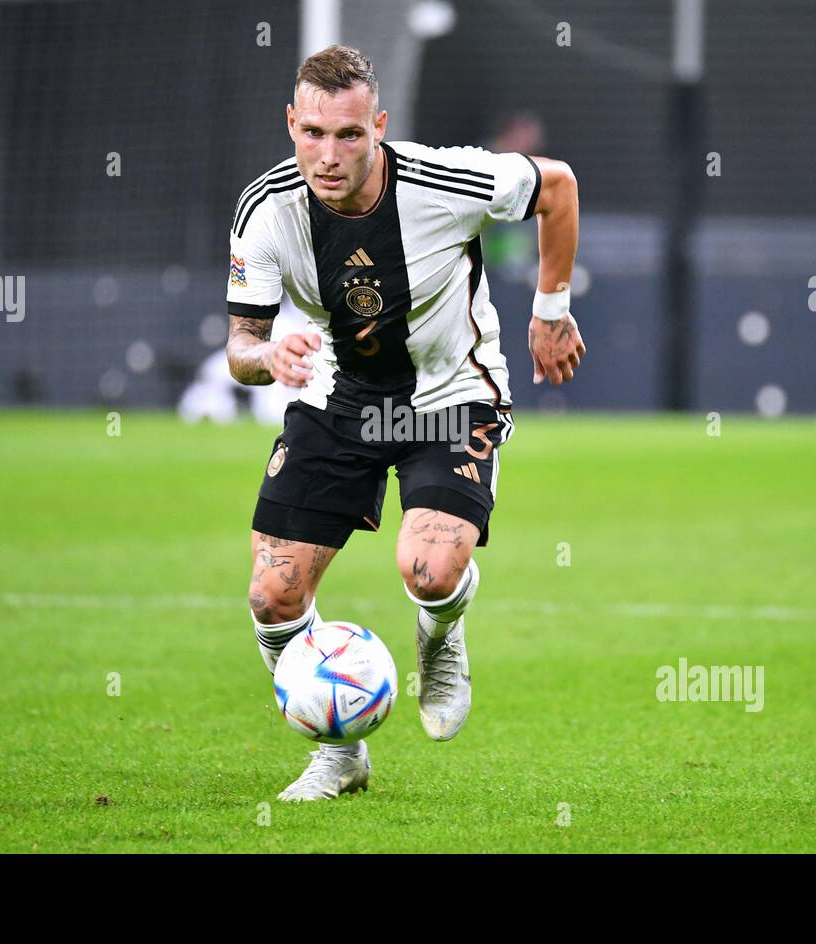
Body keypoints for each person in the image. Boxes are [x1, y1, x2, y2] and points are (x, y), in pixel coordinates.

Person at [225, 45, 583, 801]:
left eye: (349, 134)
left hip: (453, 394)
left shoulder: (441, 179)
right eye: (313, 132)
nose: (328, 153)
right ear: (291, 124)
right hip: (339, 397)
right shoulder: (265, 211)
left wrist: (551, 309)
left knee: (429, 569)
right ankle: (338, 753)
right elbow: (239, 348)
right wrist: (269, 355)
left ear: (378, 128)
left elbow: (558, 186)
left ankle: (442, 638)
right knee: (271, 597)